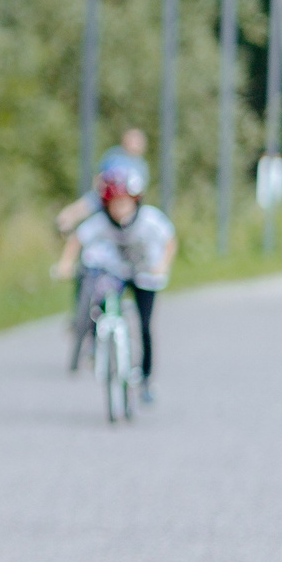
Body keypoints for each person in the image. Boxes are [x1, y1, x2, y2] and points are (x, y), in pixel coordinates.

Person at [53, 155, 176, 401]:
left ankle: (145, 379)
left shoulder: (150, 219)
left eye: (124, 204)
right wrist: (65, 264)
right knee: (99, 298)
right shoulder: (101, 222)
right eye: (114, 205)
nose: (119, 210)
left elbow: (169, 241)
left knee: (144, 325)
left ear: (135, 201)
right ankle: (97, 342)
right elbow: (78, 239)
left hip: (146, 272)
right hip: (117, 270)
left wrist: (162, 265)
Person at [55, 128, 152, 237]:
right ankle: (68, 239)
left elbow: (140, 192)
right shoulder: (114, 156)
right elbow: (99, 178)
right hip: (101, 199)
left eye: (138, 142)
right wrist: (100, 192)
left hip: (123, 206)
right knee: (66, 217)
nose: (134, 144)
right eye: (132, 140)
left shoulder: (141, 166)